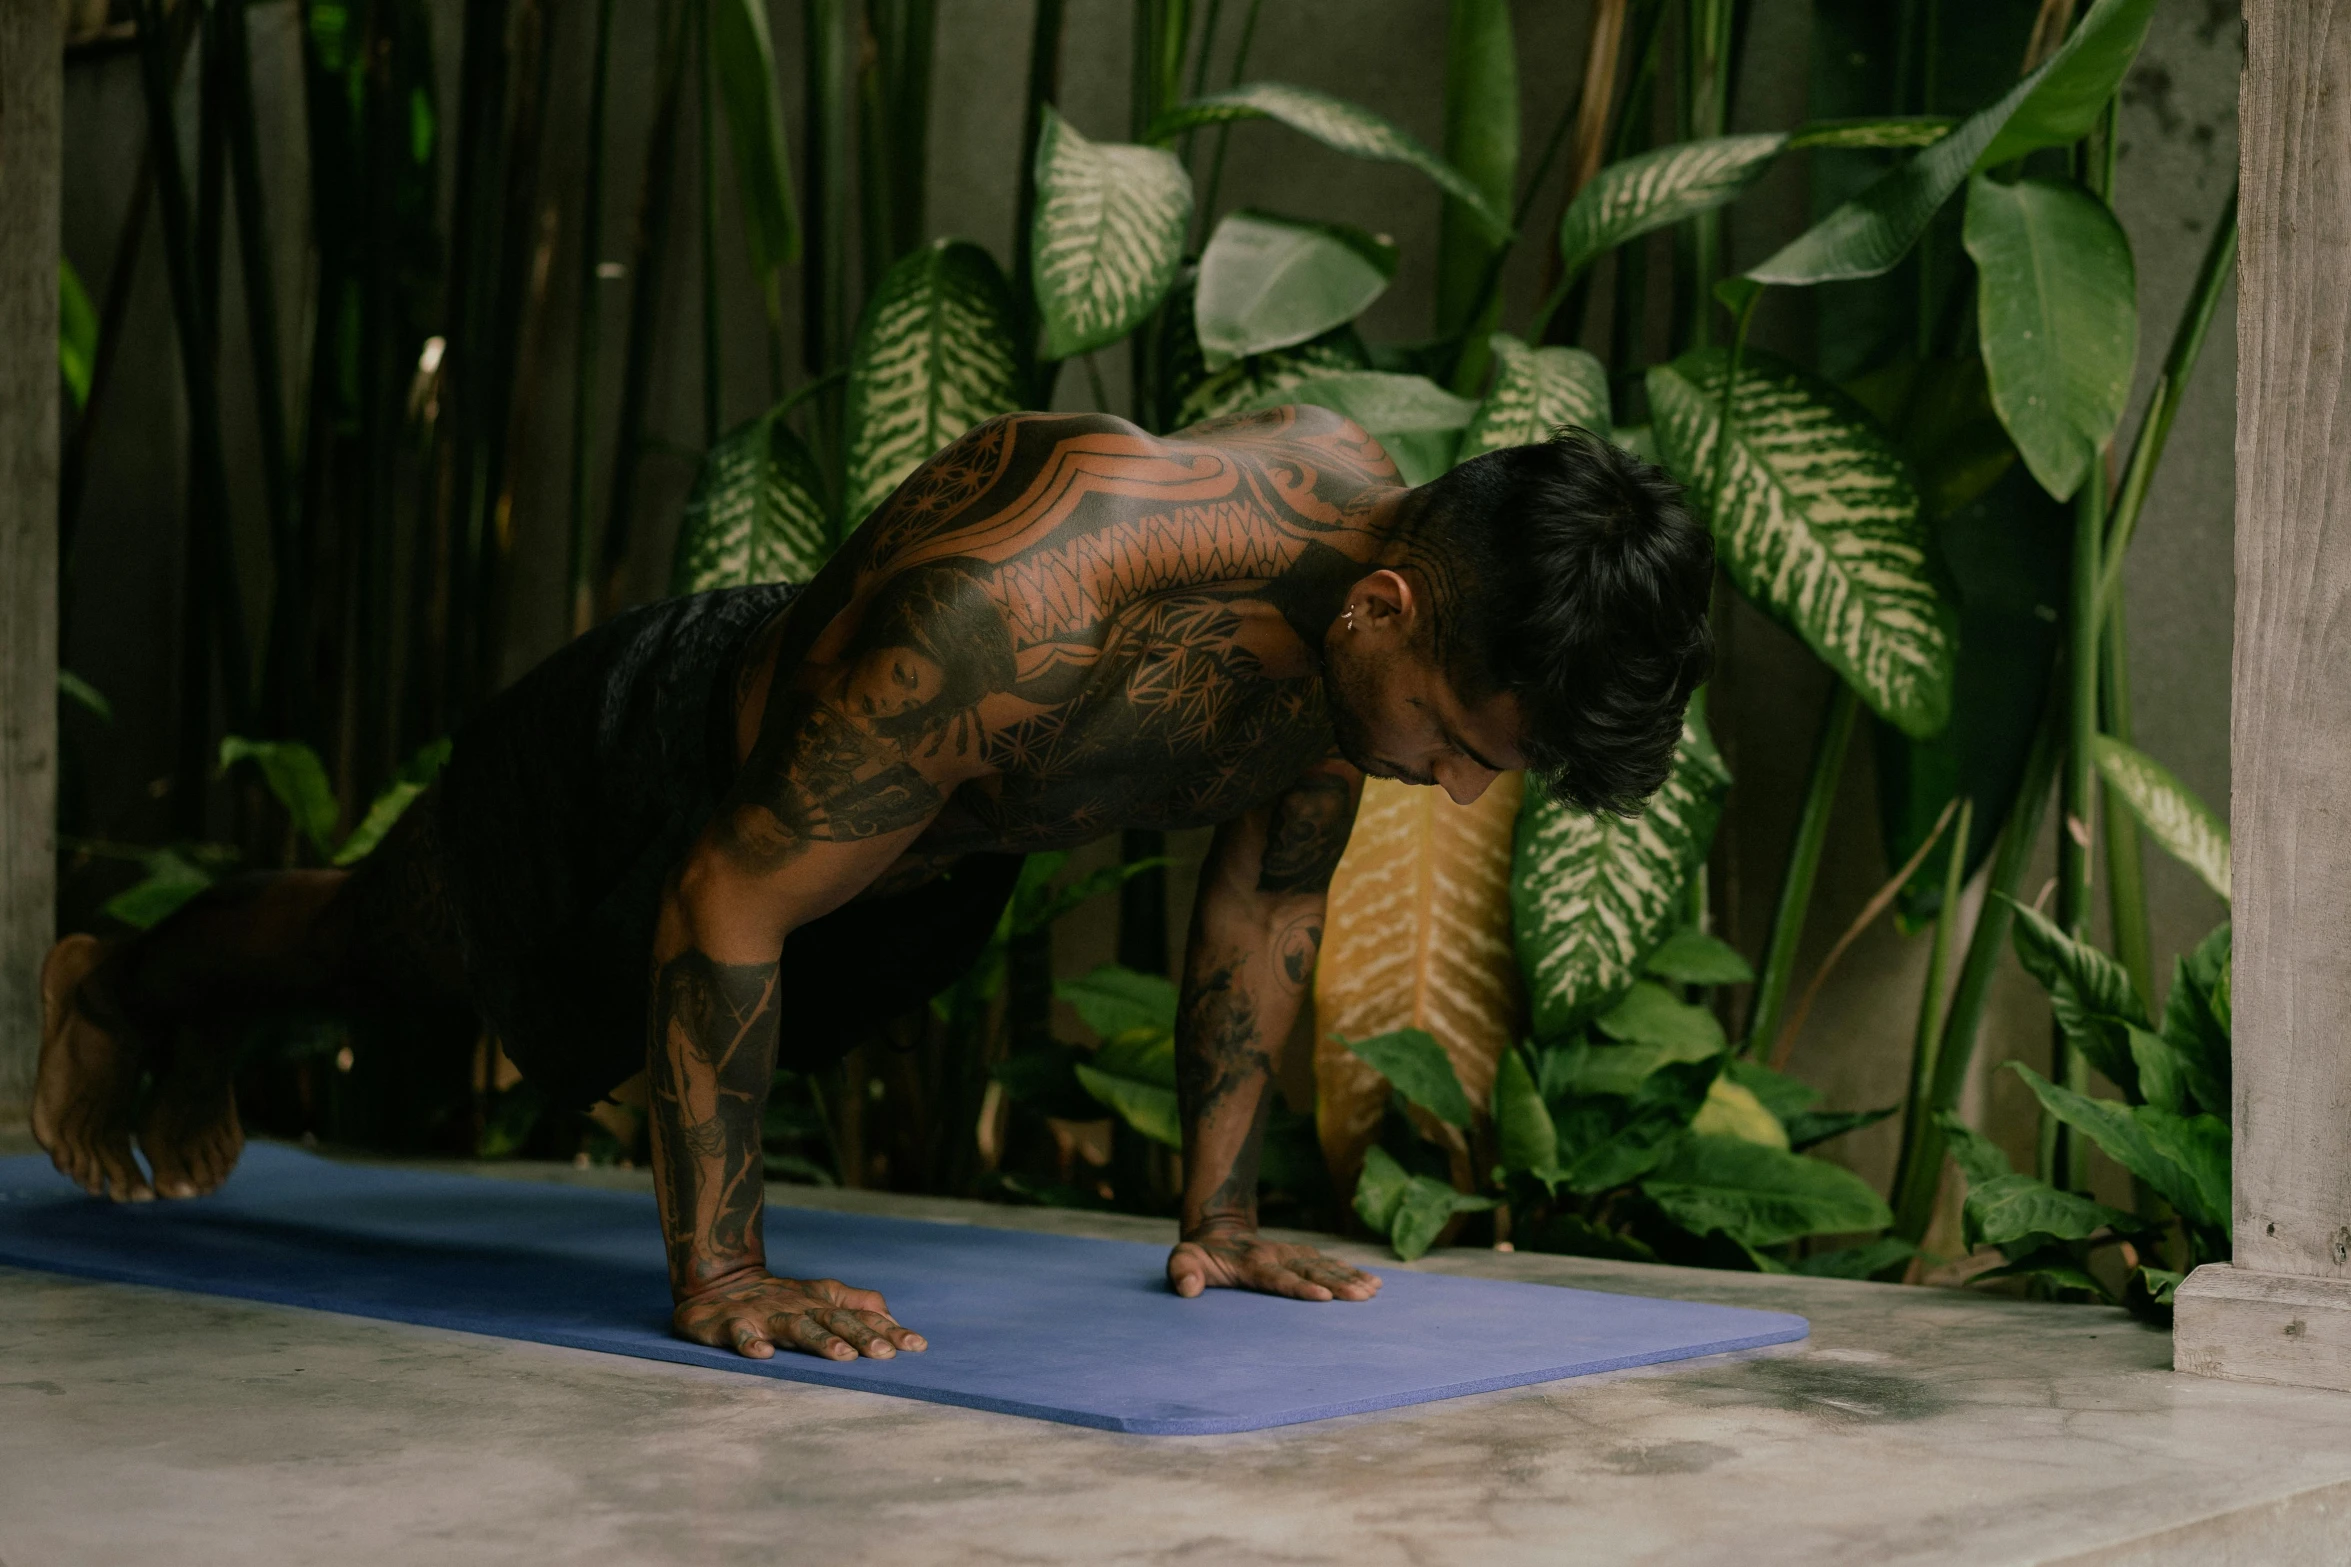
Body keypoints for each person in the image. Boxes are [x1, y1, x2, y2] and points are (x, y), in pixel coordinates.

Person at [32, 407, 1713, 1364]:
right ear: (1386, 609)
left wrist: (1218, 1216)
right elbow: (726, 899)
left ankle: (220, 1020)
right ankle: (122, 984)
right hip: (653, 765)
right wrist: (723, 1271)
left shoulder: (1402, 625)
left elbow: (1265, 906)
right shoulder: (1036, 597)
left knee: (446, 997)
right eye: (1463, 740)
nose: (1462, 783)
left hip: (910, 873)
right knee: (380, 949)